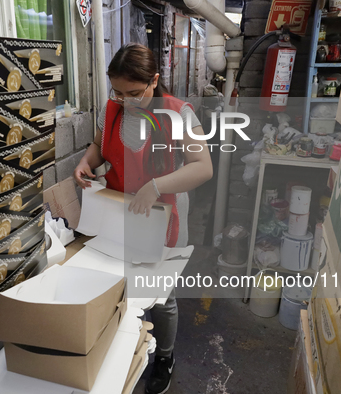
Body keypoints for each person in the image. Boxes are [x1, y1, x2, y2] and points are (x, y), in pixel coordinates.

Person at [74, 43, 212, 394]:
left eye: (134, 93)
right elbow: (98, 145)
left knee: (160, 297)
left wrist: (156, 185)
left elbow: (202, 168)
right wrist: (85, 163)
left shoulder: (179, 114)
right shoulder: (112, 110)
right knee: (120, 285)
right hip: (117, 216)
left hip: (159, 221)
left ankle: (164, 356)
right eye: (118, 92)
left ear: (154, 80)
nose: (126, 100)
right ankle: (125, 347)